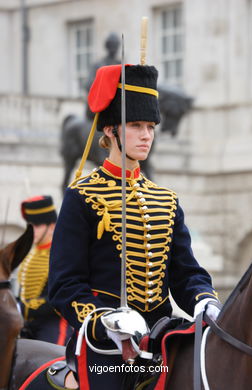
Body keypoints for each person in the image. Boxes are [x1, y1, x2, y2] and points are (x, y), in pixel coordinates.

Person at [49, 64, 220, 388]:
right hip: (106, 343)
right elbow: (63, 284)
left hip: (161, 338)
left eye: (151, 126)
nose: (146, 135)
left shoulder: (166, 199)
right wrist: (104, 320)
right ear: (111, 131)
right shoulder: (82, 196)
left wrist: (203, 298)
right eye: (136, 125)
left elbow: (185, 272)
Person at [17, 195, 73, 345]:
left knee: (50, 361)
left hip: (53, 323)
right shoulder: (31, 253)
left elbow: (60, 297)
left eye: (36, 225)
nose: (31, 230)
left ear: (52, 226)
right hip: (26, 323)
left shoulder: (62, 253)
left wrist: (22, 308)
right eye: (29, 225)